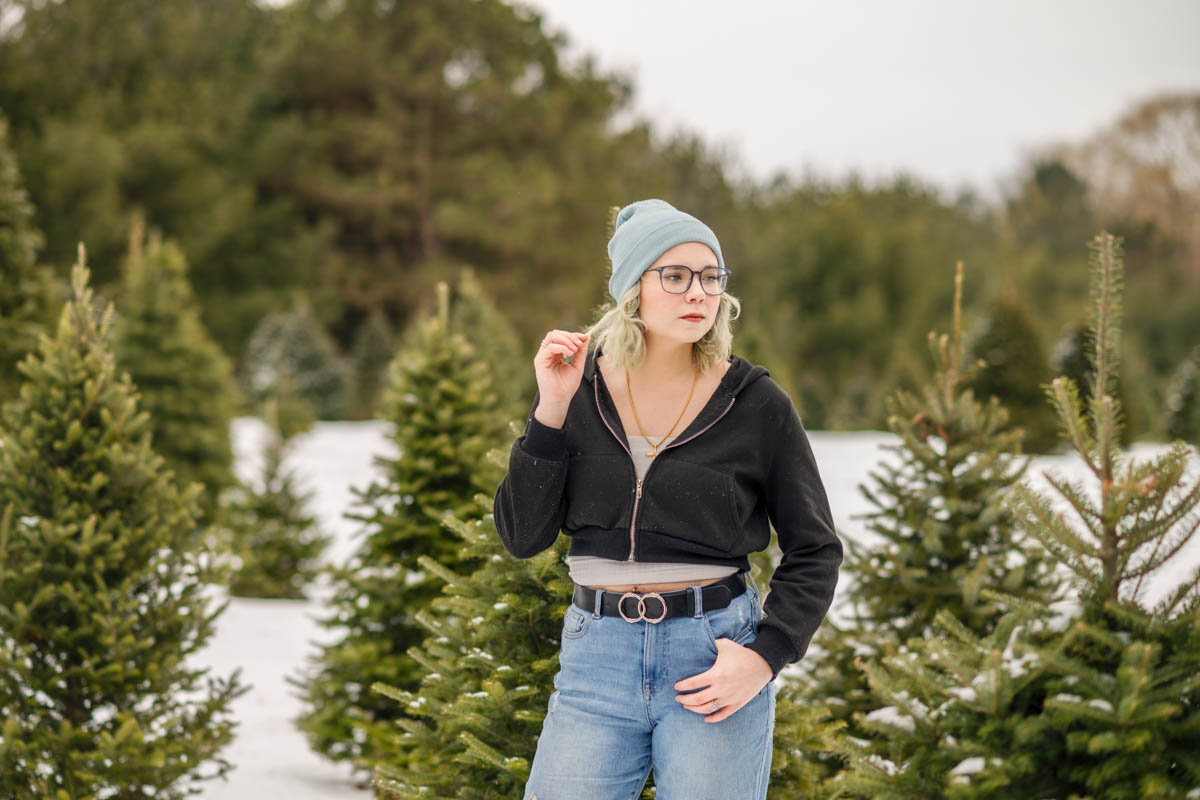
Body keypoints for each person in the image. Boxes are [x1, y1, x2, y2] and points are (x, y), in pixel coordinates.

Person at [493, 198, 842, 800]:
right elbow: (523, 536)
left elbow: (815, 548)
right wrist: (549, 410)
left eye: (711, 277)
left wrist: (764, 655)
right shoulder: (579, 389)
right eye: (675, 276)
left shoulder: (755, 403)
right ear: (633, 289)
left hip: (711, 656)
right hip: (596, 660)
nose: (697, 294)